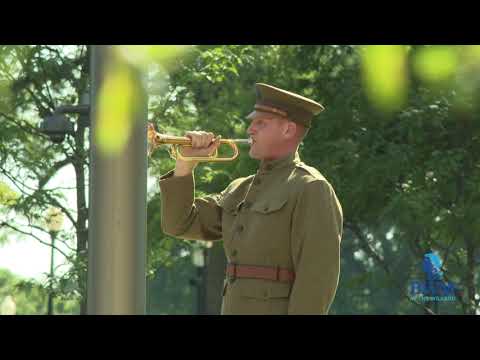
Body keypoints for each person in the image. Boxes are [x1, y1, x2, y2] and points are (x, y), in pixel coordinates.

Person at [159, 83, 343, 315]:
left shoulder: (310, 187)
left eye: (260, 123)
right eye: (252, 122)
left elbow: (316, 279)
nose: (249, 130)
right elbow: (179, 224)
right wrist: (185, 165)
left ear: (287, 130)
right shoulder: (240, 189)